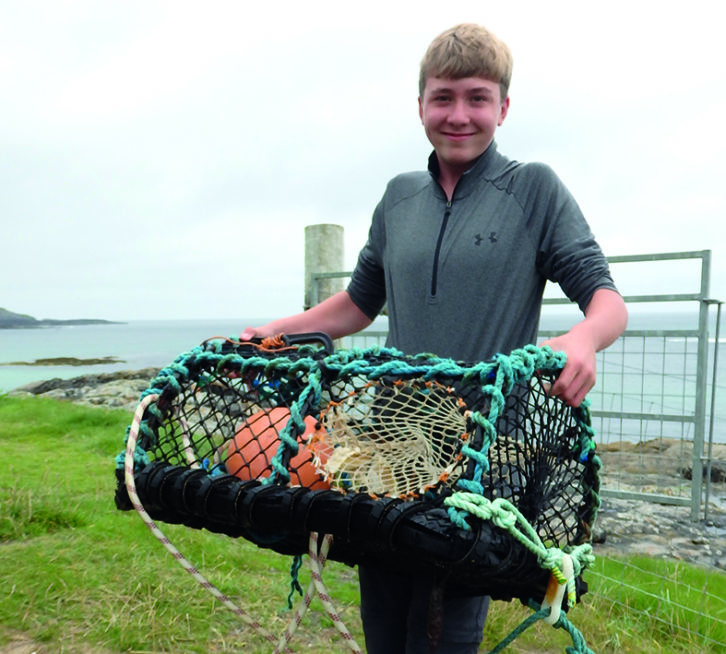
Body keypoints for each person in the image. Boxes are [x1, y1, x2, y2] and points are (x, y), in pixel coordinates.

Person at [241, 22, 628, 654]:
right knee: (384, 621)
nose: (458, 115)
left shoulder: (533, 190)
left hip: (481, 457)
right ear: (420, 104)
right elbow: (359, 303)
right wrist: (280, 328)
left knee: (443, 631)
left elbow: (608, 302)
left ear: (503, 107)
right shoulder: (398, 197)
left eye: (477, 98)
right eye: (442, 97)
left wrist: (583, 339)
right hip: (384, 447)